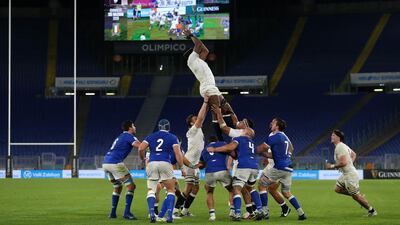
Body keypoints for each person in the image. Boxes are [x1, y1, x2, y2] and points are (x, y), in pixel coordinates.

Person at [182, 28, 235, 141]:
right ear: (191, 54)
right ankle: (220, 139)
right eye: (194, 51)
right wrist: (191, 35)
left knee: (226, 108)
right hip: (207, 88)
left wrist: (194, 39)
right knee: (216, 111)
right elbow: (199, 44)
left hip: (212, 87)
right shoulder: (191, 59)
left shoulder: (197, 61)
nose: (198, 51)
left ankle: (234, 131)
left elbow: (204, 49)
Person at [138, 119, 192, 223]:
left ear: (158, 127)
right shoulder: (172, 137)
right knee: (171, 189)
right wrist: (182, 168)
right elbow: (178, 154)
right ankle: (170, 217)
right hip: (165, 163)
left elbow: (140, 148)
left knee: (151, 190)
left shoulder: (151, 136)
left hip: (152, 163)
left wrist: (142, 159)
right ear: (168, 127)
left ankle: (152, 214)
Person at [208, 128, 264, 221]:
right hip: (255, 167)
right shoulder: (252, 142)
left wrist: (215, 149)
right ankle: (259, 210)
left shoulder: (239, 139)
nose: (242, 130)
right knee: (251, 188)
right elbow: (235, 154)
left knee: (236, 189)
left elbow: (230, 147)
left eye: (244, 130)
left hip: (244, 166)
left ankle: (237, 213)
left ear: (246, 132)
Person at [212, 106, 257, 219]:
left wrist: (219, 114)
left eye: (242, 121)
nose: (239, 122)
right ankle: (254, 210)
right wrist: (230, 110)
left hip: (241, 164)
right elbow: (234, 120)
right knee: (247, 189)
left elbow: (224, 128)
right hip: (251, 164)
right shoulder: (246, 134)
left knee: (237, 188)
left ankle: (237, 211)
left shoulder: (240, 133)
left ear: (245, 126)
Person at [257, 118, 307, 220]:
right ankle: (301, 213)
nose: (271, 123)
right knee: (286, 192)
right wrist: (284, 156)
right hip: (288, 167)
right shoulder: (284, 136)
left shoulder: (274, 137)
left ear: (277, 126)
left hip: (279, 168)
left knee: (261, 184)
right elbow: (290, 148)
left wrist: (251, 149)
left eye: (273, 122)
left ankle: (265, 211)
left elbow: (260, 148)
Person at [326, 129, 377, 217]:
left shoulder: (340, 147)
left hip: (350, 175)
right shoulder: (343, 146)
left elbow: (343, 163)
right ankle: (358, 195)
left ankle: (371, 210)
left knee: (356, 197)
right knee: (337, 189)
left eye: (333, 135)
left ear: (338, 137)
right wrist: (350, 163)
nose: (331, 136)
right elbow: (354, 154)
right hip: (346, 174)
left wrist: (331, 166)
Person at [174, 96, 208, 217]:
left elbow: (201, 118)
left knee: (196, 188)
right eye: (195, 119)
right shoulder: (192, 130)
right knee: (188, 187)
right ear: (191, 123)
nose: (198, 120)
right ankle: (175, 211)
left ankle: (185, 210)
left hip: (195, 164)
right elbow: (201, 118)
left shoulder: (198, 130)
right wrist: (205, 103)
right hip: (189, 162)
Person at [102, 120, 141, 220]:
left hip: (106, 163)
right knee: (131, 186)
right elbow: (140, 146)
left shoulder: (120, 136)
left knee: (118, 186)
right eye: (134, 126)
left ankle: (113, 213)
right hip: (115, 163)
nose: (135, 127)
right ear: (130, 128)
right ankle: (127, 213)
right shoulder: (128, 136)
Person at [197, 136, 233, 221]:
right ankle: (232, 211)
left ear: (208, 142)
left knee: (209, 192)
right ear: (216, 141)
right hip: (222, 170)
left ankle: (212, 215)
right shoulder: (222, 144)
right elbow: (231, 152)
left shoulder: (204, 150)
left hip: (210, 172)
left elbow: (201, 166)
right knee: (232, 190)